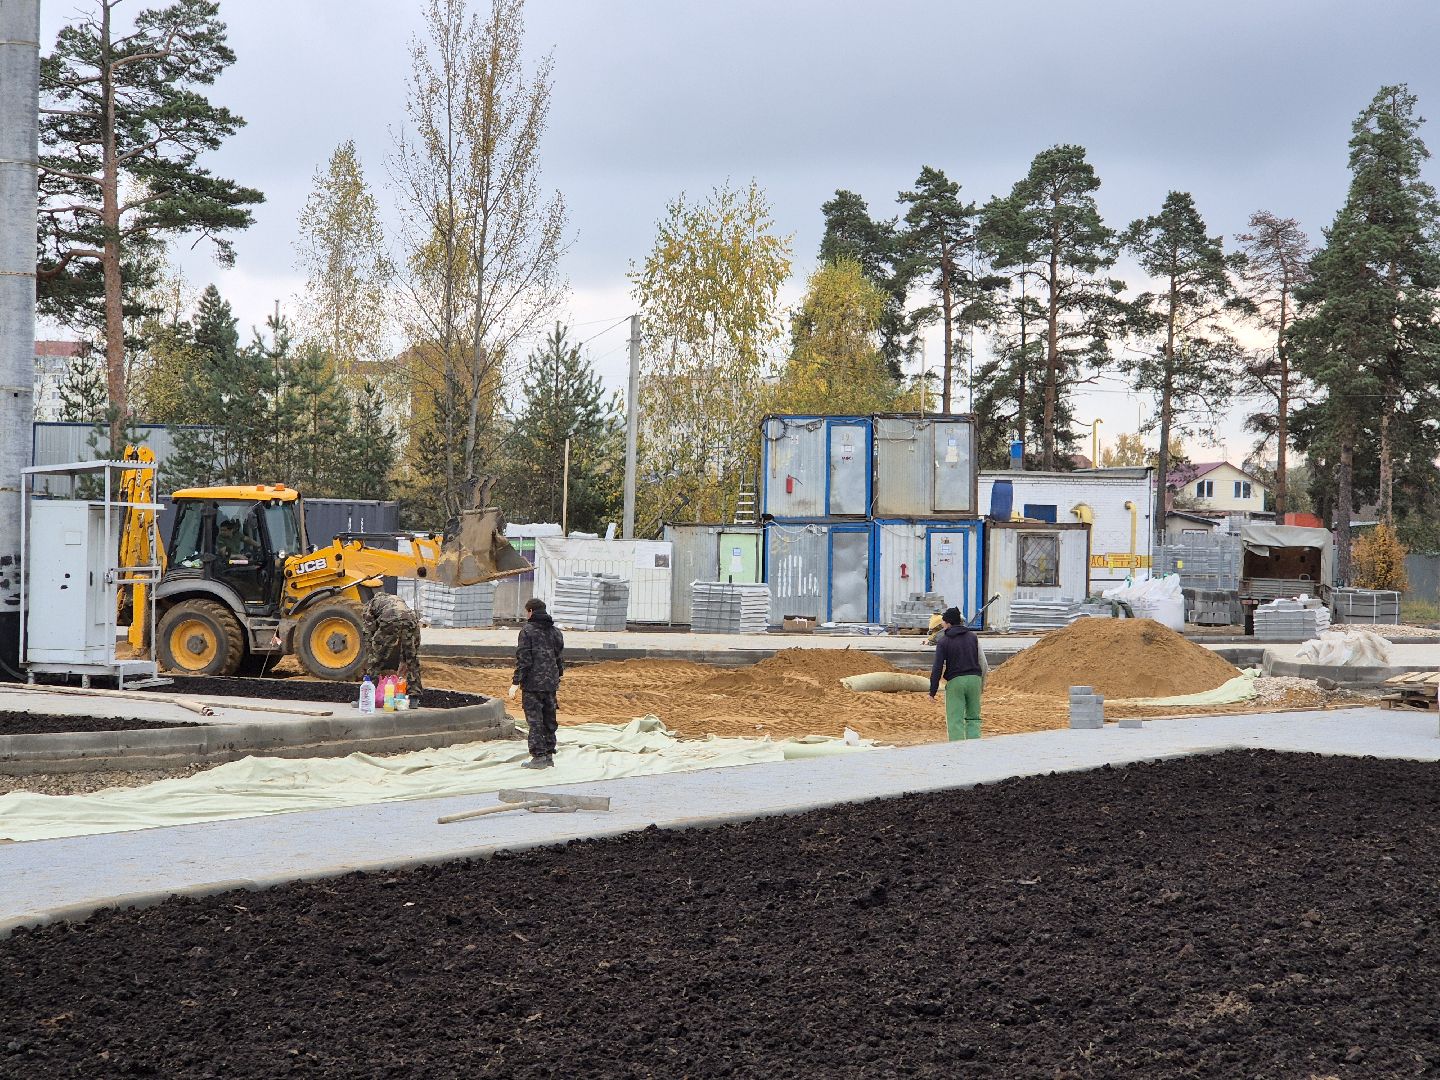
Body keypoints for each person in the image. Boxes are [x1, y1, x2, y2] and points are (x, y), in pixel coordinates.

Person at [509, 597, 565, 769]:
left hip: (533, 685)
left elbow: (524, 659)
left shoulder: (527, 631)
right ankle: (549, 754)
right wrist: (557, 676)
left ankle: (538, 756)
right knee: (549, 719)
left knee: (535, 721)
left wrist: (516, 682)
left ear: (530, 611)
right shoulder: (556, 632)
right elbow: (559, 658)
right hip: (550, 684)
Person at [929, 606, 988, 741]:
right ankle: (974, 747)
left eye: (943, 622)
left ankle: (957, 751)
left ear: (948, 623)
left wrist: (932, 691)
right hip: (974, 680)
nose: (942, 624)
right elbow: (983, 663)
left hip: (956, 682)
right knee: (974, 717)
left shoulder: (943, 641)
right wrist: (981, 684)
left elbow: (937, 667)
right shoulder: (973, 637)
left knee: (955, 719)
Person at [362, 593, 424, 696]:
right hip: (411, 619)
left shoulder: (372, 604)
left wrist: (373, 652)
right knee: (411, 661)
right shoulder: (397, 600)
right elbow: (416, 637)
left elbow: (368, 632)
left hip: (389, 618)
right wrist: (410, 653)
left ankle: (368, 694)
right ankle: (414, 695)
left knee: (376, 660)